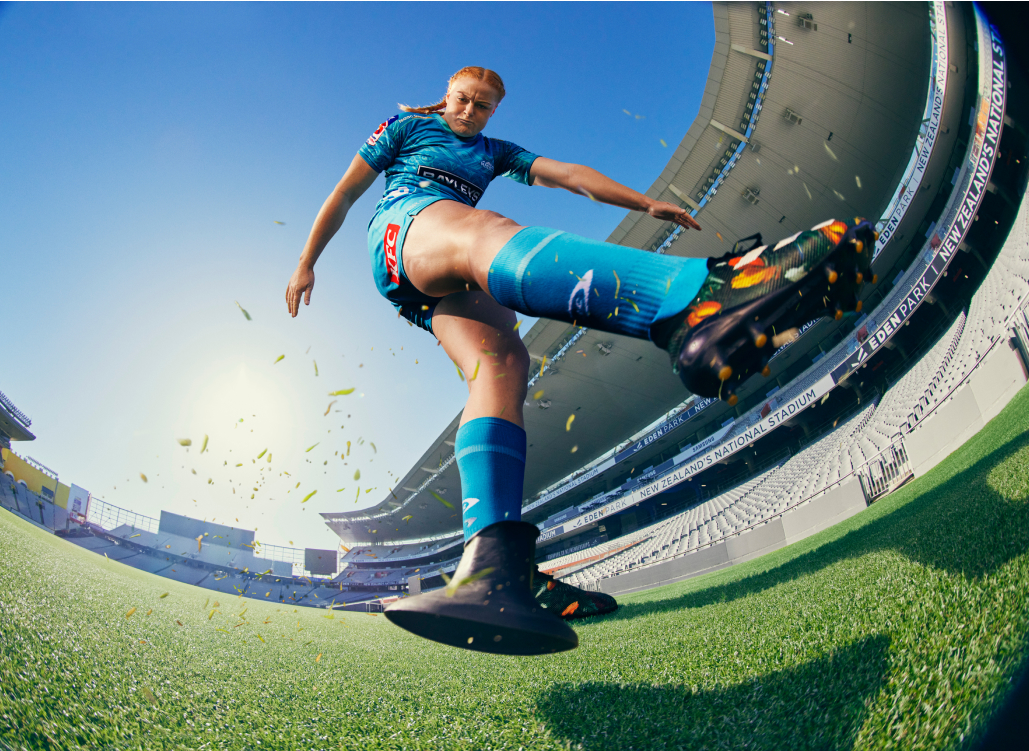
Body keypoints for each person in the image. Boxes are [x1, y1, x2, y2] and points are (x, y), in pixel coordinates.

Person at [286, 66, 876, 655]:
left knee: (502, 366)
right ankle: (692, 297)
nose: (471, 112)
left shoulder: (494, 151)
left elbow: (566, 175)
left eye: (485, 106)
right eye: (465, 100)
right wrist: (307, 261)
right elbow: (345, 192)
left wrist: (644, 202)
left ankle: (493, 567)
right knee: (482, 231)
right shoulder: (405, 127)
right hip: (403, 231)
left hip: (433, 281)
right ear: (447, 93)